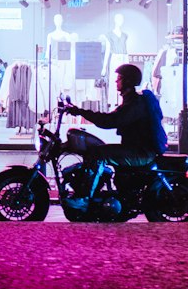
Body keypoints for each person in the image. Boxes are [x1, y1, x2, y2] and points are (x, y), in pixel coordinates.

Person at [64, 63, 166, 210]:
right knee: (97, 150)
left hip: (141, 152)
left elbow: (110, 121)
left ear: (128, 81)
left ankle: (83, 198)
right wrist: (80, 111)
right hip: (135, 148)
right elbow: (111, 117)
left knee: (97, 154)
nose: (116, 81)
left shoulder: (135, 103)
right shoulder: (131, 100)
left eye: (119, 78)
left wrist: (81, 112)